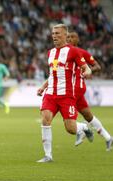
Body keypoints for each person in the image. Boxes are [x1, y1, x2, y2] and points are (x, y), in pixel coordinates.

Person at [36, 24, 93, 163]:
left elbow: (86, 68)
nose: (54, 36)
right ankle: (48, 155)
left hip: (67, 94)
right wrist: (43, 87)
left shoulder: (73, 51)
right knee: (45, 118)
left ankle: (83, 127)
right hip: (51, 93)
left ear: (65, 35)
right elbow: (52, 75)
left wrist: (86, 72)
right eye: (53, 33)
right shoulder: (50, 53)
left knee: (71, 129)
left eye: (57, 33)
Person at [67, 32, 113, 150]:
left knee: (64, 110)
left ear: (77, 40)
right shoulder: (63, 53)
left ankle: (81, 129)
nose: (69, 39)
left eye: (72, 37)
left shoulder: (82, 53)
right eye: (67, 37)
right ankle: (108, 138)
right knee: (88, 116)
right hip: (72, 88)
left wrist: (87, 71)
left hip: (75, 88)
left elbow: (97, 66)